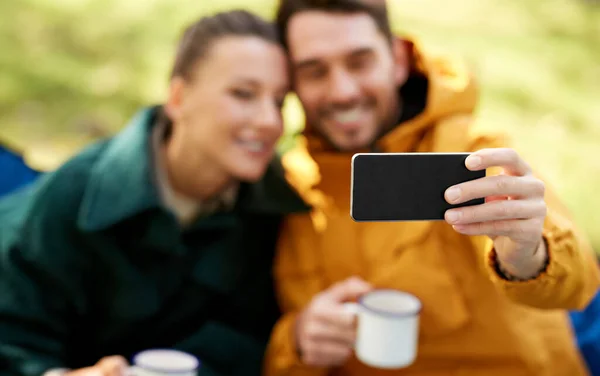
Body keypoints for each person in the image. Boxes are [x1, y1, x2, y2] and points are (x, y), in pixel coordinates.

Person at [262, 0, 600, 375]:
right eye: (314, 71)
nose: (341, 91)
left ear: (398, 60)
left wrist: (527, 256)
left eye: (359, 62)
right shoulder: (288, 187)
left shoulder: (470, 150)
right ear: (292, 82)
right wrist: (297, 341)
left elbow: (579, 285)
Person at [0, 10, 310, 376]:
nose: (270, 122)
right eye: (243, 94)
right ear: (178, 99)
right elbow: (13, 339)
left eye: (279, 101)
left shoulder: (276, 208)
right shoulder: (74, 197)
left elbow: (247, 336)